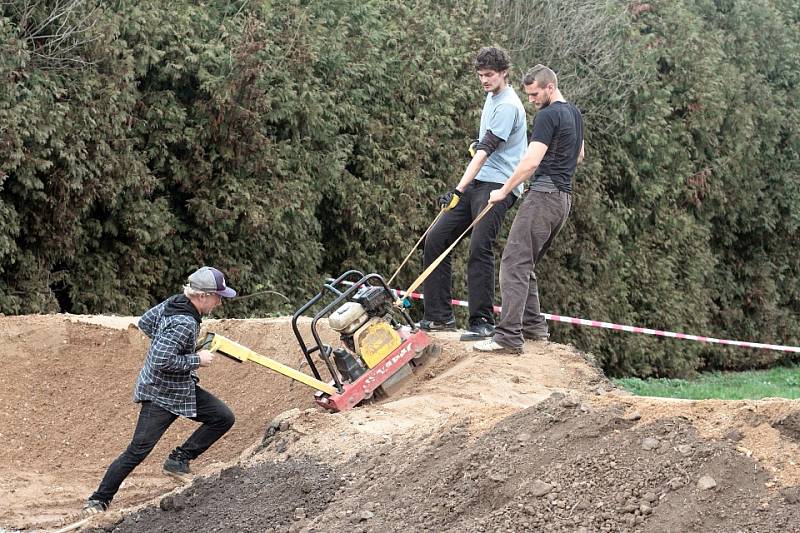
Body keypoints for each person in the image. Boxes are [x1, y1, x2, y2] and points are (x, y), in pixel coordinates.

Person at [81, 266, 237, 515]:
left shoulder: (174, 303)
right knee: (137, 450)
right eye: (218, 296)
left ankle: (178, 460)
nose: (220, 301)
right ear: (203, 295)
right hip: (160, 395)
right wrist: (197, 359)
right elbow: (161, 362)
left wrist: (168, 344)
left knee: (223, 417)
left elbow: (145, 322)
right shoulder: (184, 322)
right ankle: (98, 500)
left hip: (181, 390)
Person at [474, 64, 584, 354]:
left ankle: (508, 336)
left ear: (550, 87)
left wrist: (503, 190)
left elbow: (531, 161)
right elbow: (580, 155)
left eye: (535, 94)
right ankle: (534, 327)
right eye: (529, 95)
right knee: (527, 262)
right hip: (563, 200)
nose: (532, 100)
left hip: (543, 196)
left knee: (513, 263)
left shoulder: (548, 116)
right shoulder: (573, 113)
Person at [420, 46, 528, 340]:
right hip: (480, 180)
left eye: (489, 75)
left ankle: (481, 322)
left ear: (504, 73)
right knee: (436, 239)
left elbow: (483, 153)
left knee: (480, 246)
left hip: (499, 186)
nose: (484, 80)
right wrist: (475, 149)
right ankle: (439, 317)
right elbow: (483, 147)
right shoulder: (491, 96)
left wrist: (457, 189)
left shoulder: (508, 105)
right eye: (480, 75)